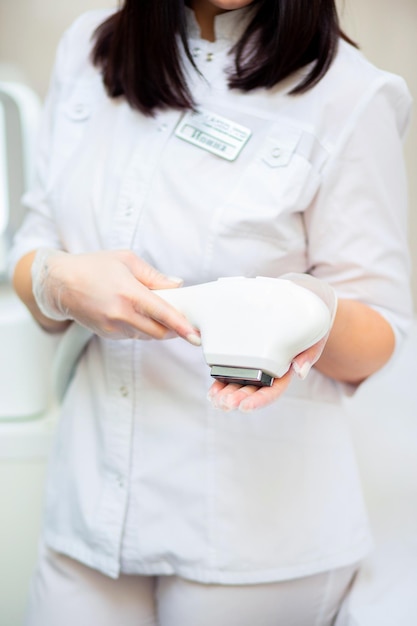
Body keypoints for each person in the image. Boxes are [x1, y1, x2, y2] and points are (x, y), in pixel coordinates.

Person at [9, 1, 413, 624]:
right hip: (88, 516)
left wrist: (307, 309)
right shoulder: (89, 49)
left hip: (253, 543)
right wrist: (54, 279)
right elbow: (36, 237)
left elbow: (383, 332)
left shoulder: (350, 94)